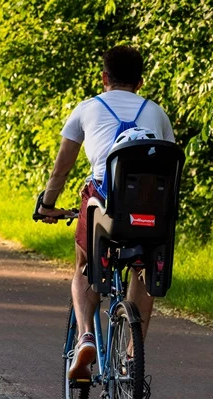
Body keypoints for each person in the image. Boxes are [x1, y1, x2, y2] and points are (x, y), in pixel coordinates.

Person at [35, 45, 175, 380]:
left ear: (104, 78)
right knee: (140, 270)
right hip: (150, 213)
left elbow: (61, 170)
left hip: (103, 207)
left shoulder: (87, 109)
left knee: (85, 266)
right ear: (140, 82)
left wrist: (47, 204)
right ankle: (132, 358)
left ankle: (85, 336)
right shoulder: (157, 113)